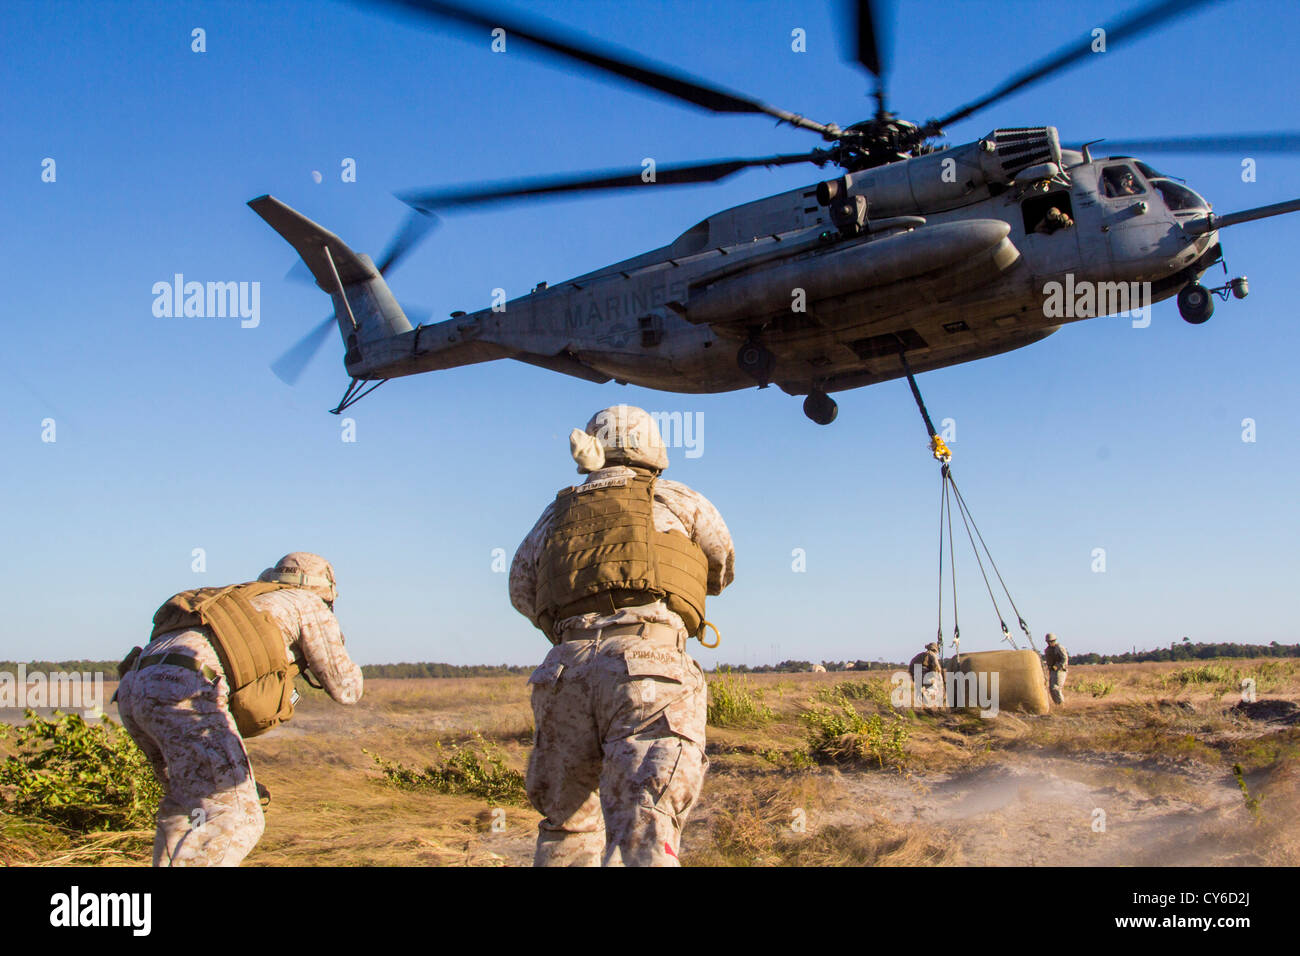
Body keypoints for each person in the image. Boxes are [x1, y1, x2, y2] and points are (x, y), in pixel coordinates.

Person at [510, 405, 735, 867]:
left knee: (565, 825)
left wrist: (576, 624)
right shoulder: (678, 499)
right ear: (651, 445)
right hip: (649, 668)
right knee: (644, 824)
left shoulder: (555, 512)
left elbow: (521, 589)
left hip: (564, 671)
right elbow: (721, 567)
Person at [114, 552, 362, 866]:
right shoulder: (307, 604)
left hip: (134, 688)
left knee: (189, 808)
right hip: (188, 691)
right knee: (239, 818)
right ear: (325, 590)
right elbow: (347, 689)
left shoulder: (242, 599)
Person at [908, 641, 946, 706]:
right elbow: (938, 667)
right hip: (921, 671)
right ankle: (926, 700)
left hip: (913, 671)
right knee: (933, 688)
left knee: (918, 689)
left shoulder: (922, 654)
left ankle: (919, 705)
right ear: (935, 650)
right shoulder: (932, 654)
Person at [1044, 632, 1068, 705]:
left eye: (1051, 641)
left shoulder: (1059, 648)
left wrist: (1057, 666)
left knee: (1056, 688)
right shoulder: (1048, 649)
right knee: (1051, 689)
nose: (1049, 643)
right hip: (1052, 671)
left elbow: (1064, 659)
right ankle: (1058, 704)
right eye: (1048, 642)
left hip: (1060, 671)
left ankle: (1061, 704)